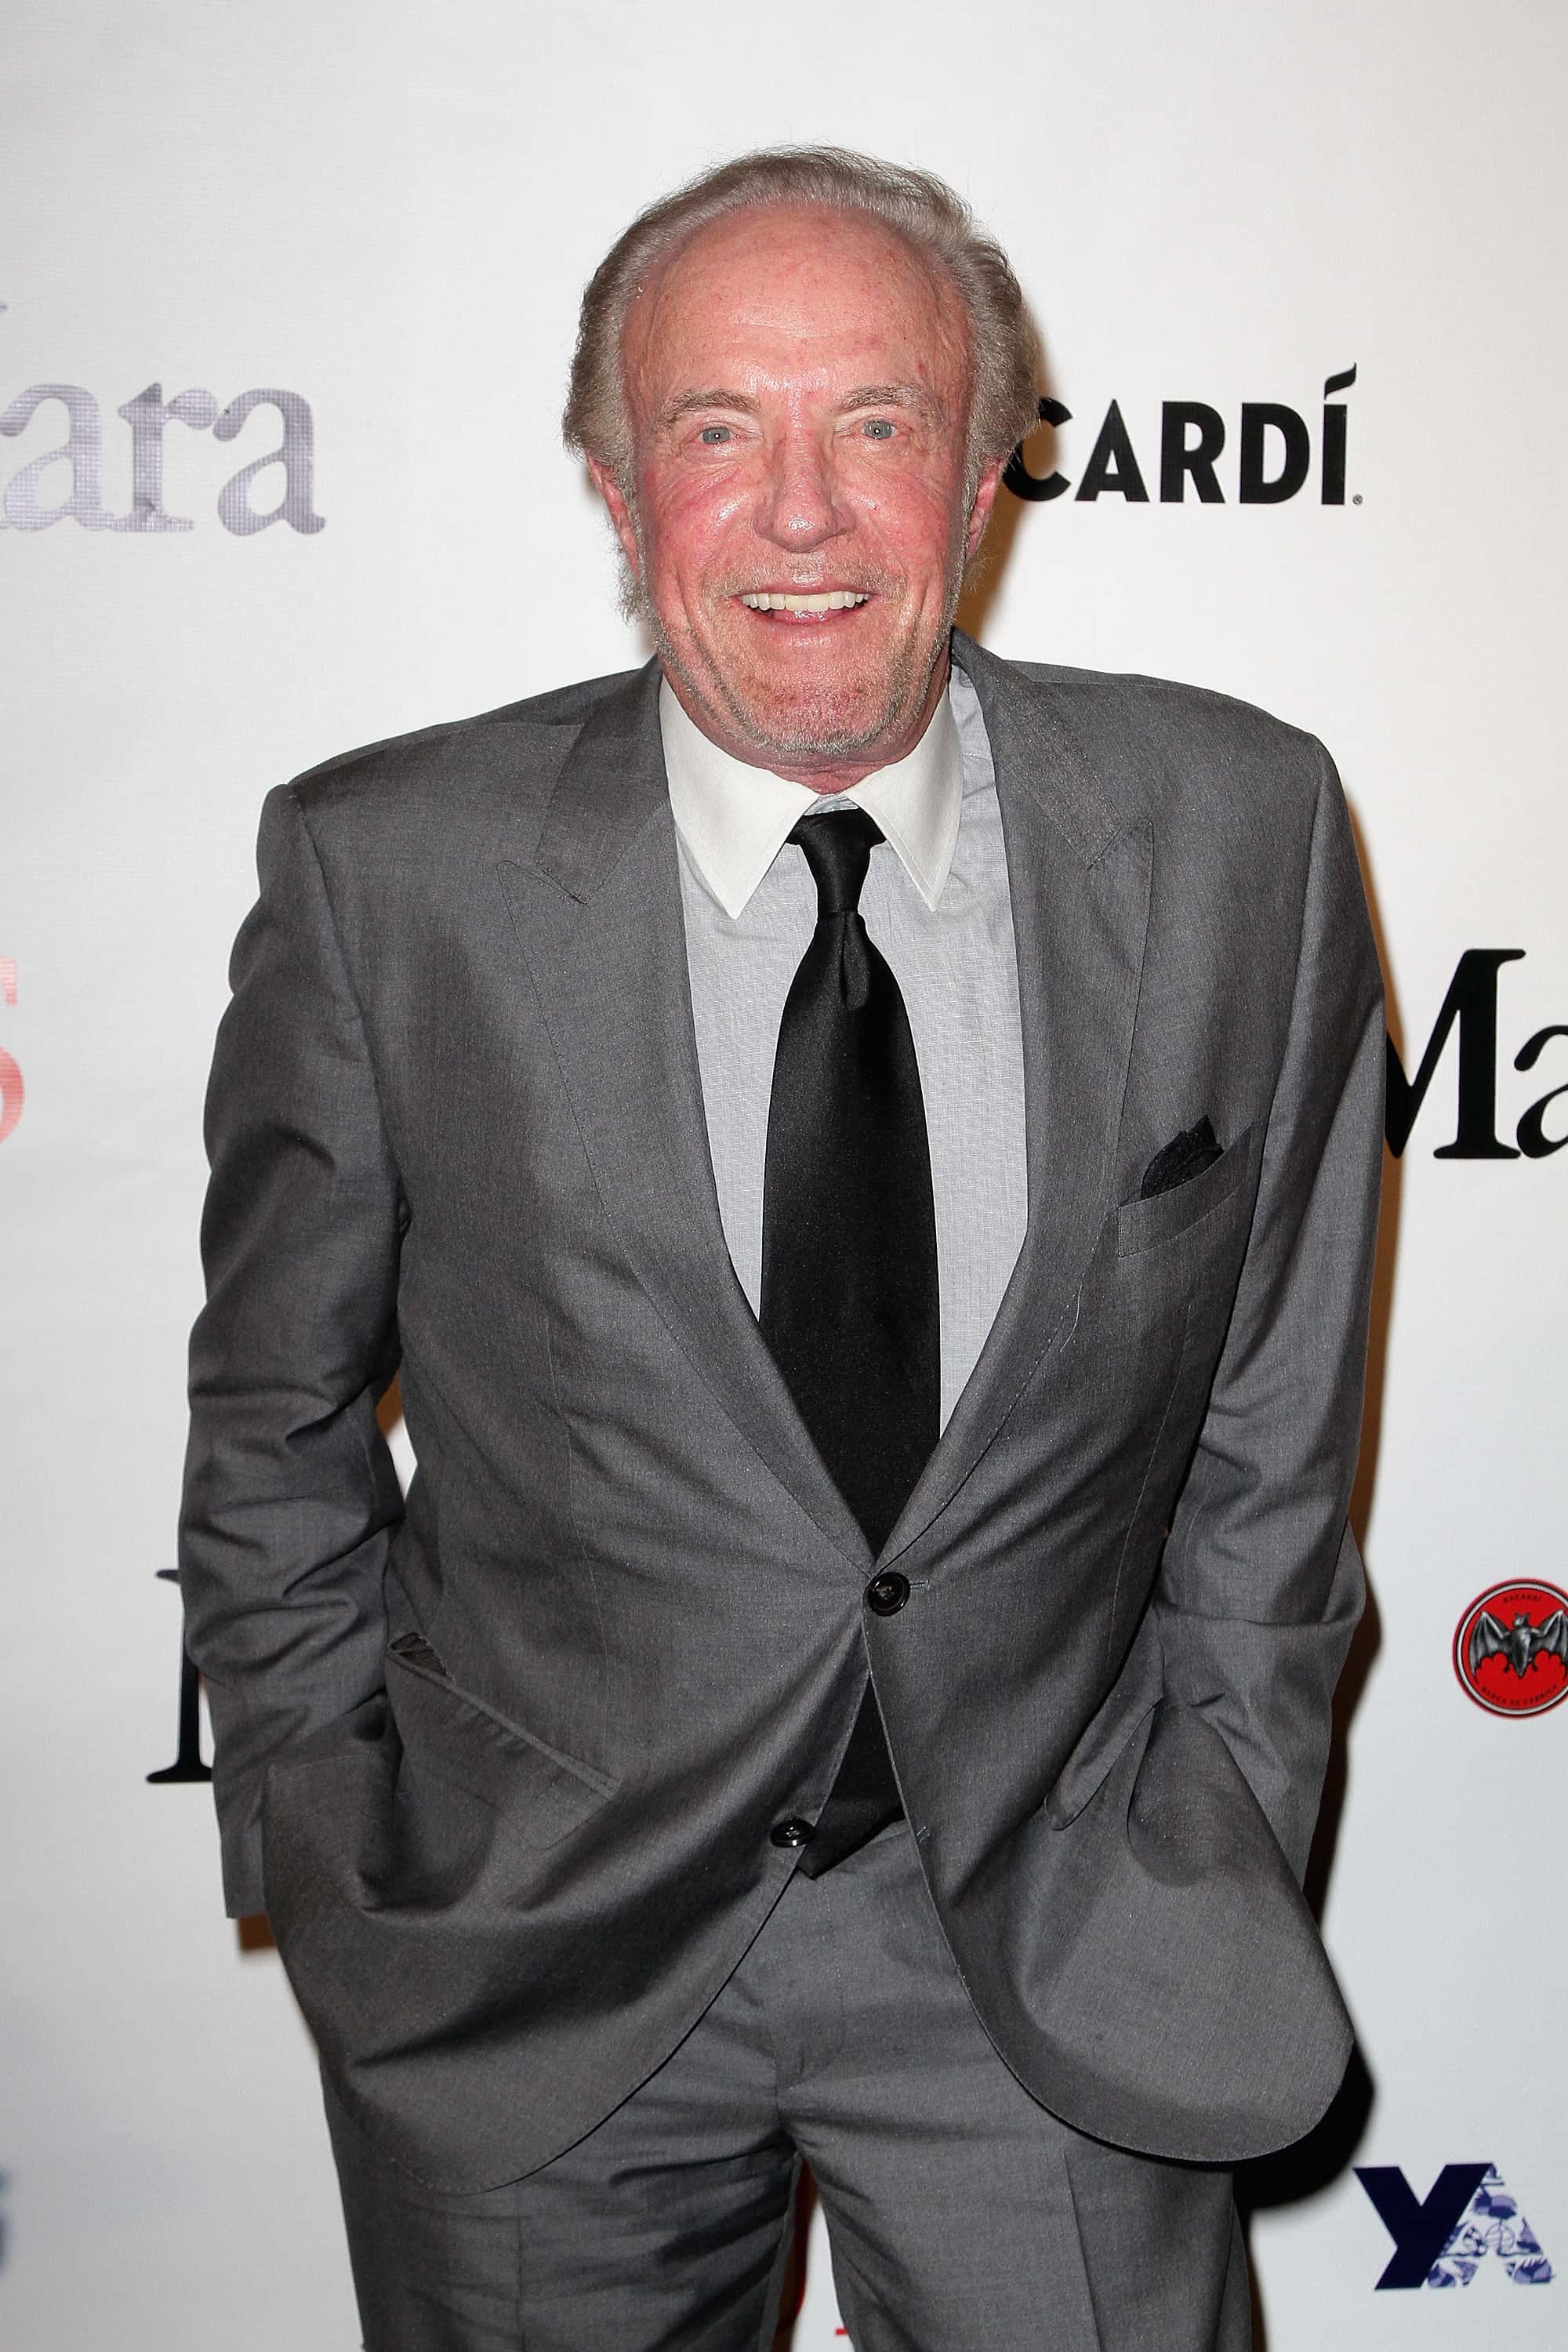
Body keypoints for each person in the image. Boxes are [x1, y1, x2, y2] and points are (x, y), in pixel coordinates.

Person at [179, 147, 1385, 2351]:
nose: (804, 514)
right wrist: (340, 1856)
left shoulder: (1241, 831)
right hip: (529, 1964)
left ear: (988, 472)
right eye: (719, 431)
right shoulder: (391, 872)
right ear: (619, 486)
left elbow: (1276, 1418)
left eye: (879, 424)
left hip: (1056, 1933)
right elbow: (269, 1410)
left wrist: (1212, 1821)